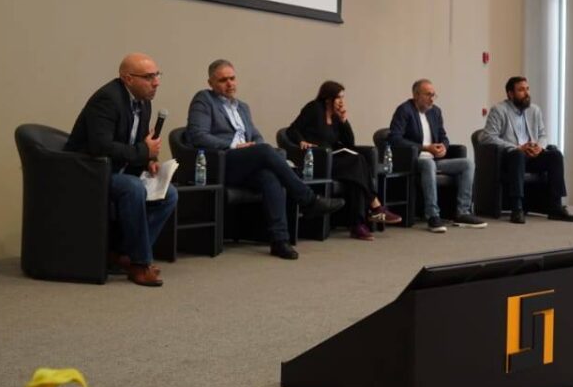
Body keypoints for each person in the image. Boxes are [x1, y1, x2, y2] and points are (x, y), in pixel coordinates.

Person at [185, 60, 345, 259]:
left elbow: (256, 136)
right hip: (222, 161)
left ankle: (279, 241)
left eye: (232, 78)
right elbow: (197, 136)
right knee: (266, 152)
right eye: (223, 80)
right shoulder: (204, 100)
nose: (230, 83)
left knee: (269, 176)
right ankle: (308, 200)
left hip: (246, 162)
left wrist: (255, 147)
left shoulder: (242, 107)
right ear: (211, 83)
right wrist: (234, 146)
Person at [63, 53, 179, 287]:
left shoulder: (144, 101)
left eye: (157, 75)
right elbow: (101, 146)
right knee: (133, 188)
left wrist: (149, 161)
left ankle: (122, 254)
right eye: (149, 77)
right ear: (128, 78)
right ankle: (139, 263)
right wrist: (143, 151)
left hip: (119, 171)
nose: (156, 82)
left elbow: (137, 142)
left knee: (169, 193)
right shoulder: (107, 99)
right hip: (89, 171)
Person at [288, 81, 403, 241]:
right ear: (328, 98)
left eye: (343, 97)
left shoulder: (336, 116)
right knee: (357, 165)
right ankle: (375, 208)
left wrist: (343, 120)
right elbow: (292, 129)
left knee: (357, 169)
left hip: (334, 157)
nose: (342, 101)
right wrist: (301, 141)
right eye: (339, 98)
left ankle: (358, 224)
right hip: (319, 160)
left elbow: (350, 143)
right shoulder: (314, 108)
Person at [387, 79, 487, 233]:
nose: (432, 99)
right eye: (428, 95)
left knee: (468, 164)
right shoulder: (404, 110)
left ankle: (463, 212)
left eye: (434, 95)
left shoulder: (435, 112)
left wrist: (444, 147)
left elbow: (443, 136)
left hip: (434, 159)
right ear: (416, 95)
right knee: (429, 164)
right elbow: (395, 138)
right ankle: (433, 215)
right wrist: (424, 148)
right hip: (413, 161)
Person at [480, 76, 573, 223]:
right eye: (521, 90)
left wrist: (539, 147)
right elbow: (487, 137)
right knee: (518, 155)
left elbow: (543, 135)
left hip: (532, 155)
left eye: (527, 89)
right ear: (510, 94)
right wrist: (517, 147)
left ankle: (555, 208)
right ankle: (517, 209)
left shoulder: (534, 110)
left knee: (555, 156)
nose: (526, 93)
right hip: (510, 157)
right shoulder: (499, 110)